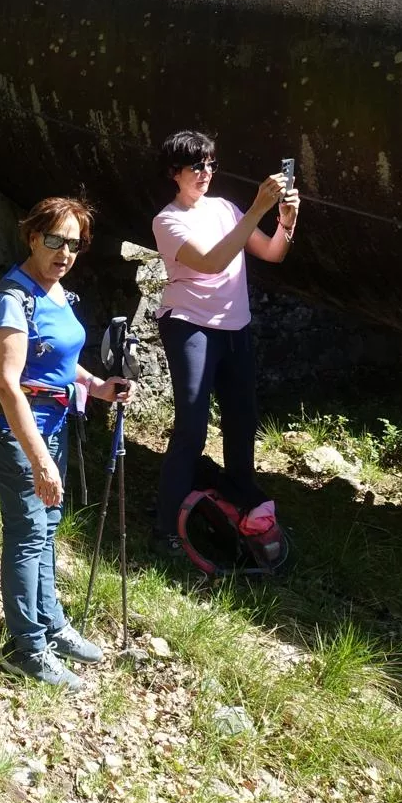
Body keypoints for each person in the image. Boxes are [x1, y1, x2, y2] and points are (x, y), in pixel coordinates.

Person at [0, 197, 129, 689]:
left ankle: (51, 625)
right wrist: (39, 458)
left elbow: (62, 364)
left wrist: (97, 387)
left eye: (74, 244)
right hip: (20, 436)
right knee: (27, 536)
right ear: (32, 237)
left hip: (56, 429)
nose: (65, 252)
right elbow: (7, 385)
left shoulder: (58, 292)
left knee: (46, 528)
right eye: (55, 241)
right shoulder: (12, 298)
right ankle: (26, 648)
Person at [150, 130, 299, 552]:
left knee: (242, 422)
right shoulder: (167, 221)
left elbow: (272, 253)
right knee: (192, 427)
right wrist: (256, 209)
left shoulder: (227, 209)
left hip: (235, 327)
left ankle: (240, 511)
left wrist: (285, 220)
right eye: (196, 166)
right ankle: (166, 529)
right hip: (190, 325)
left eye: (211, 164)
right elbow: (213, 262)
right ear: (173, 173)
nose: (205, 173)